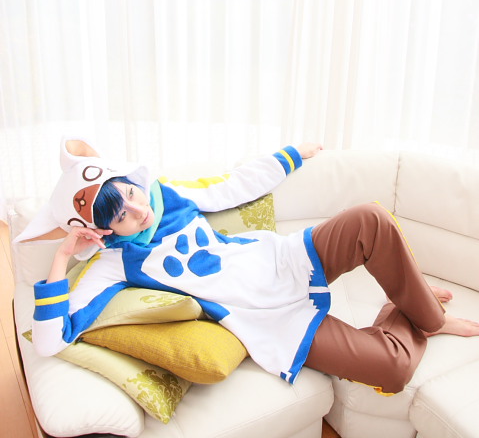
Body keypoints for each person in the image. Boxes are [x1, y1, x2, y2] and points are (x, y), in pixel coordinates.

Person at [16, 137, 479, 396]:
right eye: (121, 215)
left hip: (283, 261)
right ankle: (403, 310)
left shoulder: (169, 195)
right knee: (394, 369)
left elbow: (232, 186)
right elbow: (51, 342)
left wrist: (292, 155)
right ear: (103, 230)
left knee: (370, 220)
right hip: (270, 320)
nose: (139, 211)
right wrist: (63, 256)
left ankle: (429, 318)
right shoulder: (113, 264)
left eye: (130, 194)